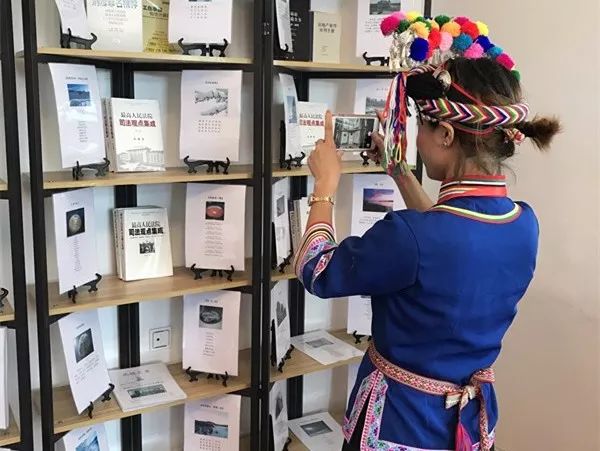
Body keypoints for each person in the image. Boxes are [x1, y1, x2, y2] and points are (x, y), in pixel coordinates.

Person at [293, 12, 560, 451]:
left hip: (399, 425)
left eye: (422, 127)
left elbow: (316, 270)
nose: (416, 139)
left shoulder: (409, 236)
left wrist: (324, 186)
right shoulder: (523, 223)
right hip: (468, 424)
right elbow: (447, 237)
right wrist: (400, 173)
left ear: (447, 134)